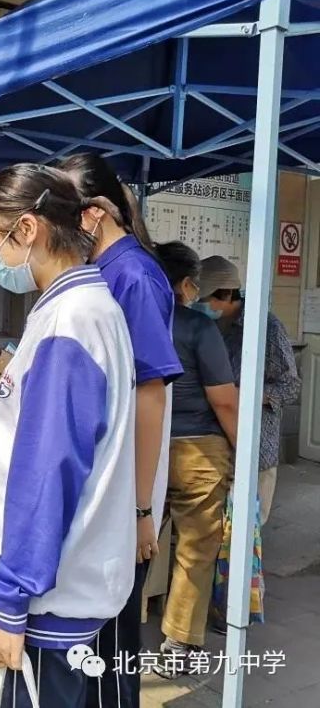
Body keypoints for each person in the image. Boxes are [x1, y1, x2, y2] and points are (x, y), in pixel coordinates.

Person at [0, 164, 136, 707]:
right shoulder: (80, 308)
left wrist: (11, 600)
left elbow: (47, 474)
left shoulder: (71, 320)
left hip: (47, 599)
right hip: (67, 586)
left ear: (28, 229)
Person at [60, 153, 183, 708]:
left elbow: (150, 392)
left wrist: (140, 511)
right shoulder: (103, 269)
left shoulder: (132, 273)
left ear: (90, 216)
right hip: (105, 477)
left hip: (126, 486)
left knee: (111, 641)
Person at [152, 243, 240, 676]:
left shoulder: (131, 319)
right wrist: (242, 450)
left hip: (144, 448)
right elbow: (224, 402)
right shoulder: (198, 328)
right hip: (199, 451)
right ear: (187, 284)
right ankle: (178, 645)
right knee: (195, 550)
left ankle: (110, 625)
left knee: (136, 539)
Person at [197, 255, 300, 524]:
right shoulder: (206, 327)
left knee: (246, 529)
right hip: (214, 444)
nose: (202, 305)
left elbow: (291, 386)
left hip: (256, 446)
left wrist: (252, 395)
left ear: (228, 294)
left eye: (207, 299)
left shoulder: (265, 327)